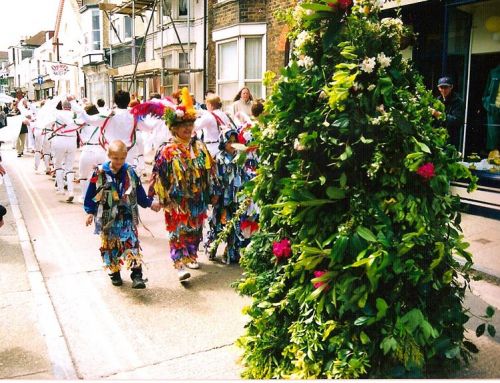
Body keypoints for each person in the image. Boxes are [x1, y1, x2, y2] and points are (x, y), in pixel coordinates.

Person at [148, 87, 218, 282]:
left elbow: (210, 171)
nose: (188, 128)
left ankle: (192, 255)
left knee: (194, 228)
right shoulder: (167, 150)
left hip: (197, 198)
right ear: (174, 128)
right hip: (176, 200)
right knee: (177, 230)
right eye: (183, 125)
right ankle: (179, 263)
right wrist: (158, 198)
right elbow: (158, 176)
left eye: (190, 124)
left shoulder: (200, 147)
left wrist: (213, 190)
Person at [84, 140, 161, 288]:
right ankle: (114, 273)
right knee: (110, 246)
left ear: (126, 156)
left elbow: (139, 193)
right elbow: (91, 193)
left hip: (126, 216)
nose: (118, 161)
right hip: (107, 218)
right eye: (115, 158)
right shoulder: (99, 172)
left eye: (121, 158)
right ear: (109, 156)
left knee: (131, 244)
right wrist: (89, 212)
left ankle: (137, 275)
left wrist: (150, 204)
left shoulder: (130, 172)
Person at [206, 129, 245, 264]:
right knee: (217, 223)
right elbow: (214, 178)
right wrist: (215, 194)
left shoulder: (240, 157)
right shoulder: (219, 158)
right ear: (223, 143)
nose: (232, 144)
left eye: (234, 141)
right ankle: (212, 247)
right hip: (222, 197)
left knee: (234, 224)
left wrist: (246, 191)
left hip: (236, 197)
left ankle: (230, 251)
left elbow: (243, 175)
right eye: (229, 142)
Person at [78, 104, 107, 203]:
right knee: (103, 176)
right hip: (101, 150)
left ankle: (84, 197)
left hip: (88, 150)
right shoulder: (103, 122)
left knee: (84, 176)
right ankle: (101, 198)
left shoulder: (83, 122)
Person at [431, 76, 465, 150]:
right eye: (441, 87)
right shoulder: (436, 101)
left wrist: (440, 115)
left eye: (446, 87)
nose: (443, 90)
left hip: (451, 138)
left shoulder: (458, 102)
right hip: (437, 137)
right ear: (438, 88)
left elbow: (457, 121)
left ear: (451, 87)